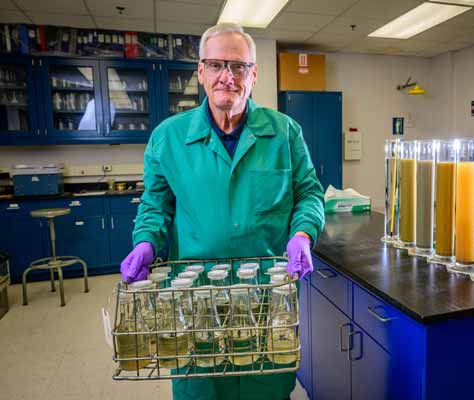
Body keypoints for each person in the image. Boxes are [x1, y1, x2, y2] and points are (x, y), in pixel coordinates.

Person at [120, 22, 325, 400]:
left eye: (238, 67)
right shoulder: (169, 137)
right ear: (200, 72)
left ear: (254, 75)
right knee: (202, 391)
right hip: (194, 302)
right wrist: (146, 241)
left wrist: (302, 234)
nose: (226, 77)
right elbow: (155, 205)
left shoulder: (284, 133)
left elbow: (309, 194)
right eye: (216, 65)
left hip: (267, 299)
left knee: (267, 389)